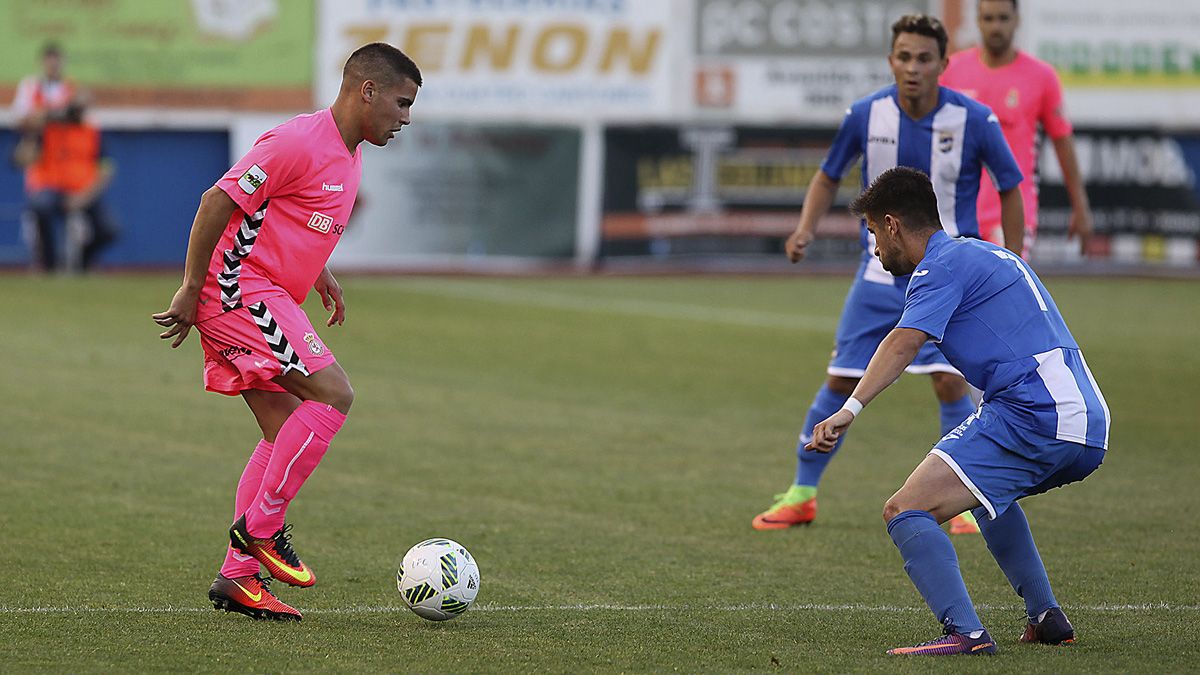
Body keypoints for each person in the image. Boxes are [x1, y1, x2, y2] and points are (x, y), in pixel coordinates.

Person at [152, 43, 422, 622]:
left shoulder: (350, 153)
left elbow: (286, 217)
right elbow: (216, 201)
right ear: (367, 90)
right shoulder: (298, 141)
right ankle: (262, 530)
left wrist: (319, 271)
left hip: (262, 291)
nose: (406, 118)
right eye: (402, 103)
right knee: (334, 393)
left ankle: (238, 578)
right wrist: (191, 287)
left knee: (284, 431)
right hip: (237, 290)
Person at [807, 166, 1108, 655]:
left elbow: (903, 342)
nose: (875, 249)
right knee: (986, 495)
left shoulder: (939, 266)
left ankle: (966, 633)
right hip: (1088, 422)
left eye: (873, 234)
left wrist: (850, 409)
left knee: (904, 509)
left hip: (1034, 412)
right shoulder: (989, 252)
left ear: (892, 225)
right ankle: (1046, 616)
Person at [752, 14, 1024, 536]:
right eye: (904, 57)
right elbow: (827, 176)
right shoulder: (866, 114)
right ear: (890, 61)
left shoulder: (975, 120)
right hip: (879, 277)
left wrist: (1013, 259)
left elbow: (1010, 186)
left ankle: (961, 504)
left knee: (950, 382)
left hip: (952, 282)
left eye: (924, 58)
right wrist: (805, 228)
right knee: (841, 379)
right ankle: (802, 494)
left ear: (943, 64)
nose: (913, 67)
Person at [941, 0, 1093, 258]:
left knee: (1001, 281)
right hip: (956, 211)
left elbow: (1062, 141)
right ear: (978, 21)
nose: (996, 27)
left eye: (1003, 18)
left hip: (1011, 214)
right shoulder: (952, 72)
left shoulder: (1041, 77)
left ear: (1017, 20)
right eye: (988, 19)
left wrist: (1081, 206)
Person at [11, 44, 118, 271]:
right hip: (51, 185)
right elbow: (21, 156)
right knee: (40, 206)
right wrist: (41, 123)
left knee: (109, 229)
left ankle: (83, 264)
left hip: (82, 188)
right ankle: (49, 265)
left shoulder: (90, 129)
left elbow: (106, 167)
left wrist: (84, 196)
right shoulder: (46, 130)